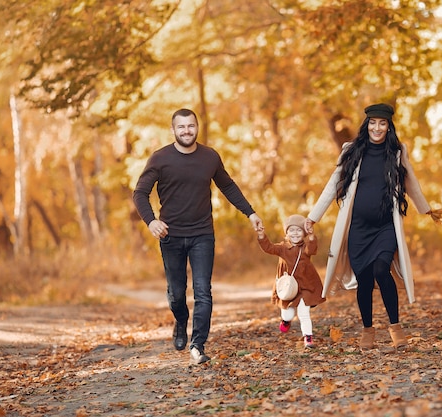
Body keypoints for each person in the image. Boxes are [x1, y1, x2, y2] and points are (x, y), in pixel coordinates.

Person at [304, 103, 442, 351]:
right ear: (366, 124)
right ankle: (368, 329)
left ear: (389, 126)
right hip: (358, 229)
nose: (377, 128)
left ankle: (396, 328)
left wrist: (426, 209)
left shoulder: (397, 151)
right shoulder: (352, 150)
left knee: (382, 269)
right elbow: (332, 185)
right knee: (365, 280)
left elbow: (411, 182)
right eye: (373, 123)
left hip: (385, 227)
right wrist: (313, 217)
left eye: (382, 123)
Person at [133, 108, 263, 364]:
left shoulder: (209, 157)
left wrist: (251, 213)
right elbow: (140, 193)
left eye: (190, 126)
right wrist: (151, 222)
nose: (186, 131)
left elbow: (228, 186)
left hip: (202, 234)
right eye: (181, 127)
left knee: (203, 291)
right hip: (171, 235)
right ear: (173, 130)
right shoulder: (160, 159)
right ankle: (181, 321)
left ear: (197, 127)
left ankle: (198, 345)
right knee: (177, 293)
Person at [256, 214, 326, 348]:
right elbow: (268, 248)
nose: (295, 233)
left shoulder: (305, 247)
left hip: (305, 286)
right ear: (286, 233)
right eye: (291, 230)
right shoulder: (282, 248)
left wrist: (311, 236)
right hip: (288, 288)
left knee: (304, 313)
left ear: (303, 233)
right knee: (288, 314)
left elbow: (312, 249)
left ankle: (308, 338)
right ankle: (286, 321)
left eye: (299, 230)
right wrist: (261, 235)